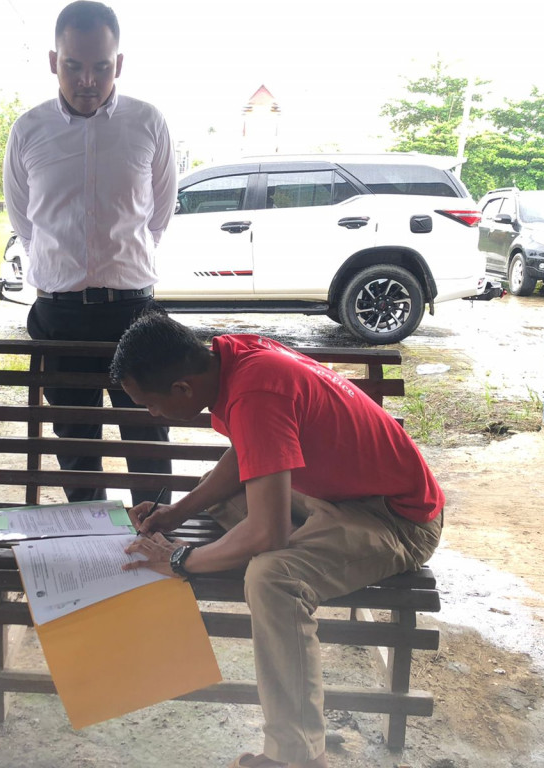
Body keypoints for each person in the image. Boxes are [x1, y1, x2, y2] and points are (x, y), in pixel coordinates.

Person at [111, 312, 444, 768]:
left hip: (396, 520)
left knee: (272, 579)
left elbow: (269, 532)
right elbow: (248, 452)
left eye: (150, 404)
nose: (151, 414)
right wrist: (176, 513)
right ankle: (299, 548)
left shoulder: (255, 391)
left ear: (183, 389)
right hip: (338, 499)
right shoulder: (233, 356)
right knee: (219, 494)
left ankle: (298, 757)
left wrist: (181, 560)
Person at [2, 0, 178, 505]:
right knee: (75, 443)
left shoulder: (148, 123)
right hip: (59, 316)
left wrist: (121, 266)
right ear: (52, 61)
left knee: (148, 436)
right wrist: (64, 273)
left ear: (118, 64)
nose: (87, 80)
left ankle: (156, 535)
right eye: (73, 65)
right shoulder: (28, 130)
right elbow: (24, 219)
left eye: (101, 67)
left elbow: (159, 213)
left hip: (133, 311)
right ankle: (90, 538)